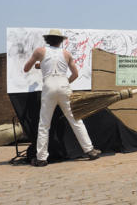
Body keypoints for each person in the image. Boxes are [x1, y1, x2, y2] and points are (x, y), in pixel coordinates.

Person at [24, 29, 102, 166]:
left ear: (48, 40)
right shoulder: (66, 54)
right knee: (76, 119)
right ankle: (90, 150)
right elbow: (75, 74)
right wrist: (65, 83)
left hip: (48, 85)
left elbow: (26, 68)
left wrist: (40, 65)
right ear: (61, 41)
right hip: (64, 84)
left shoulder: (40, 51)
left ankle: (41, 158)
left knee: (44, 124)